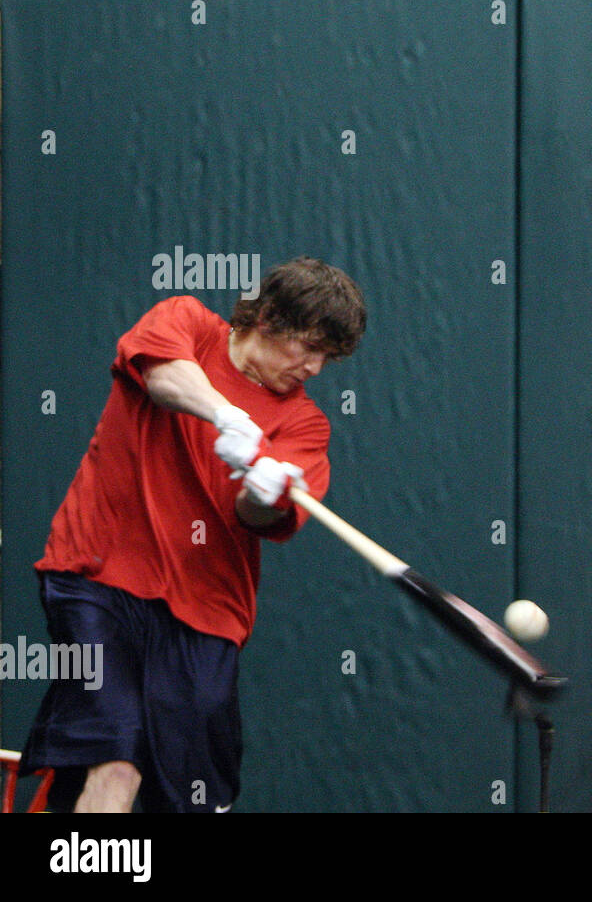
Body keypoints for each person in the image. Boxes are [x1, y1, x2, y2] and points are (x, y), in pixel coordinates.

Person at [20, 256, 365, 812]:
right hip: (97, 575)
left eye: (329, 356)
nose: (317, 368)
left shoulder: (305, 427)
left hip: (206, 610)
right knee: (116, 761)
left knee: (188, 795)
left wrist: (260, 488)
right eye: (311, 346)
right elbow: (162, 375)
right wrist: (227, 416)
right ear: (269, 317)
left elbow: (255, 517)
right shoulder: (185, 320)